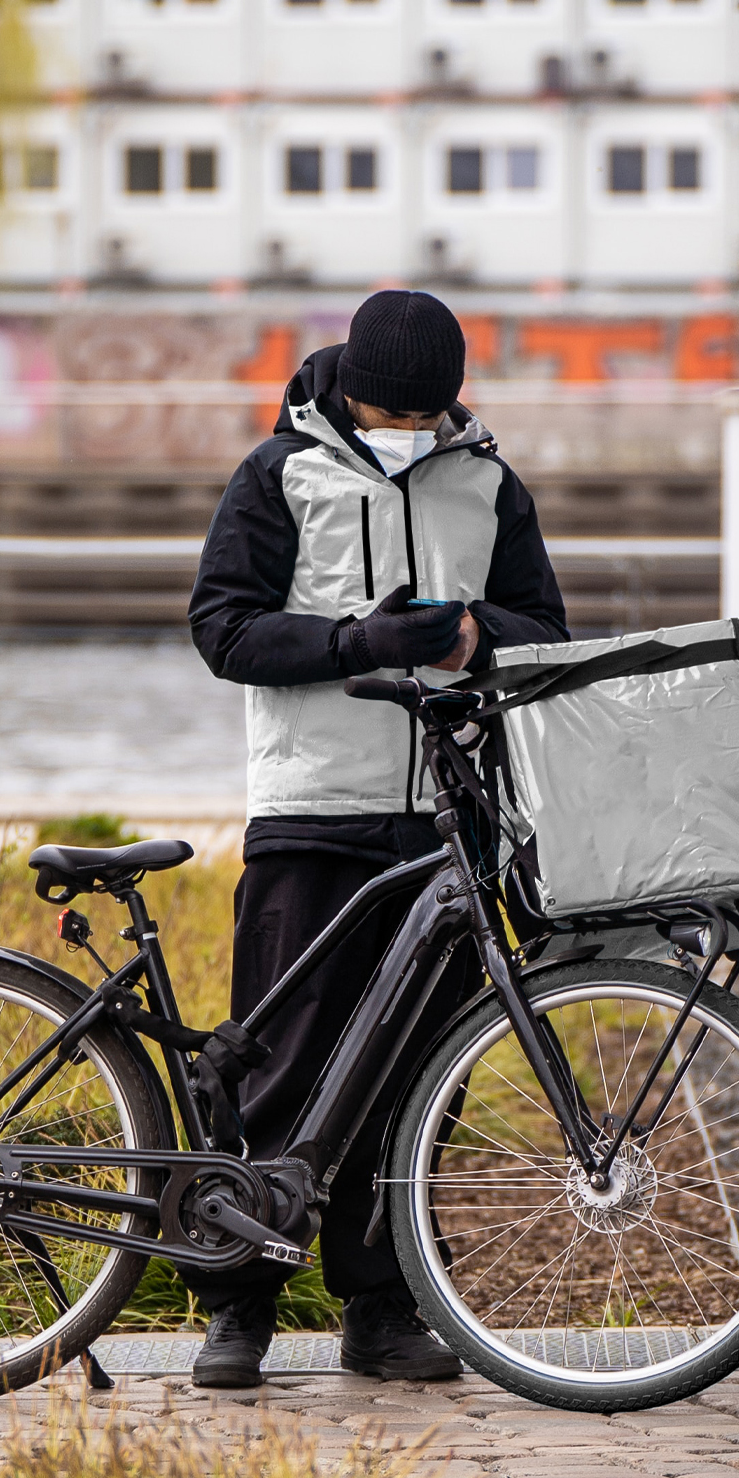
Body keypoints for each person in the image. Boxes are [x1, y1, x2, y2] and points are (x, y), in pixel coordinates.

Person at [185, 289, 568, 1386]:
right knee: (275, 1067)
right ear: (347, 388)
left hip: (445, 818)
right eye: (383, 410)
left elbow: (545, 631)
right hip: (310, 809)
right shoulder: (279, 473)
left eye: (421, 414)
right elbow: (222, 627)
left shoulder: (487, 483)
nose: (403, 428)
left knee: (413, 1073)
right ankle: (237, 1304)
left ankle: (381, 1308)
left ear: (447, 403)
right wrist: (355, 637)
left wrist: (464, 633)